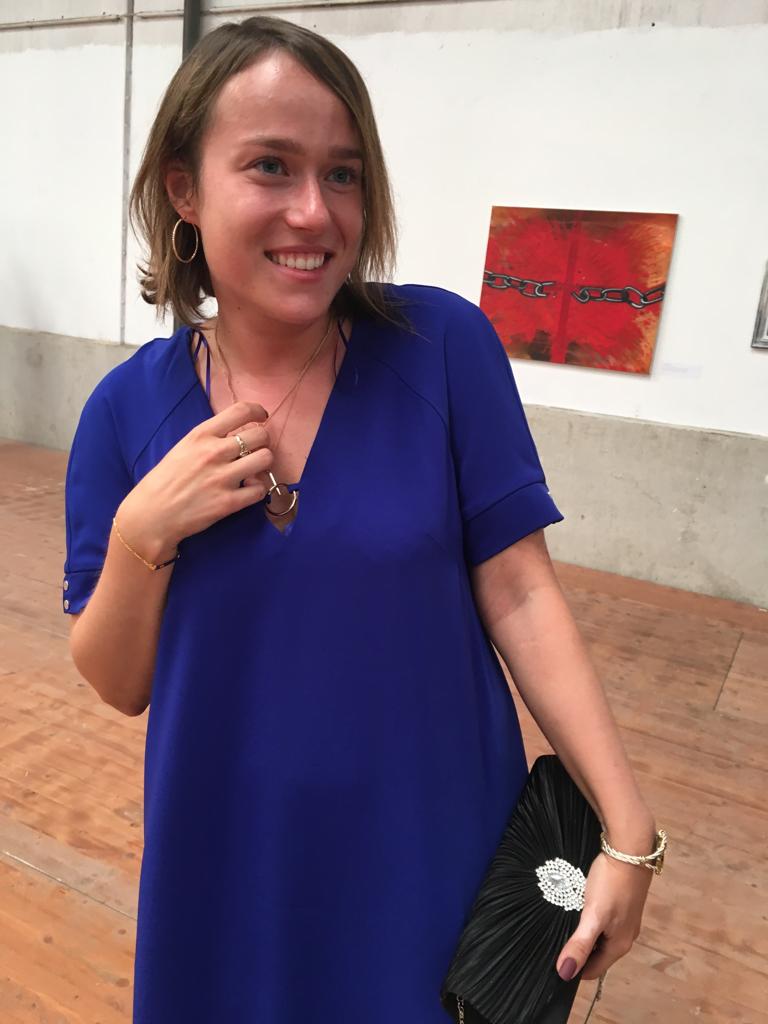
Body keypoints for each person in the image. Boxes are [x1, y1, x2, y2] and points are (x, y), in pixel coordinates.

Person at [63, 15, 661, 1024]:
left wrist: (628, 829)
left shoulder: (441, 348)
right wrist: (140, 535)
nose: (315, 211)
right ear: (183, 188)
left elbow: (522, 593)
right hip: (229, 869)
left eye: (342, 174)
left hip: (430, 857)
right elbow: (119, 681)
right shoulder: (125, 412)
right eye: (270, 165)